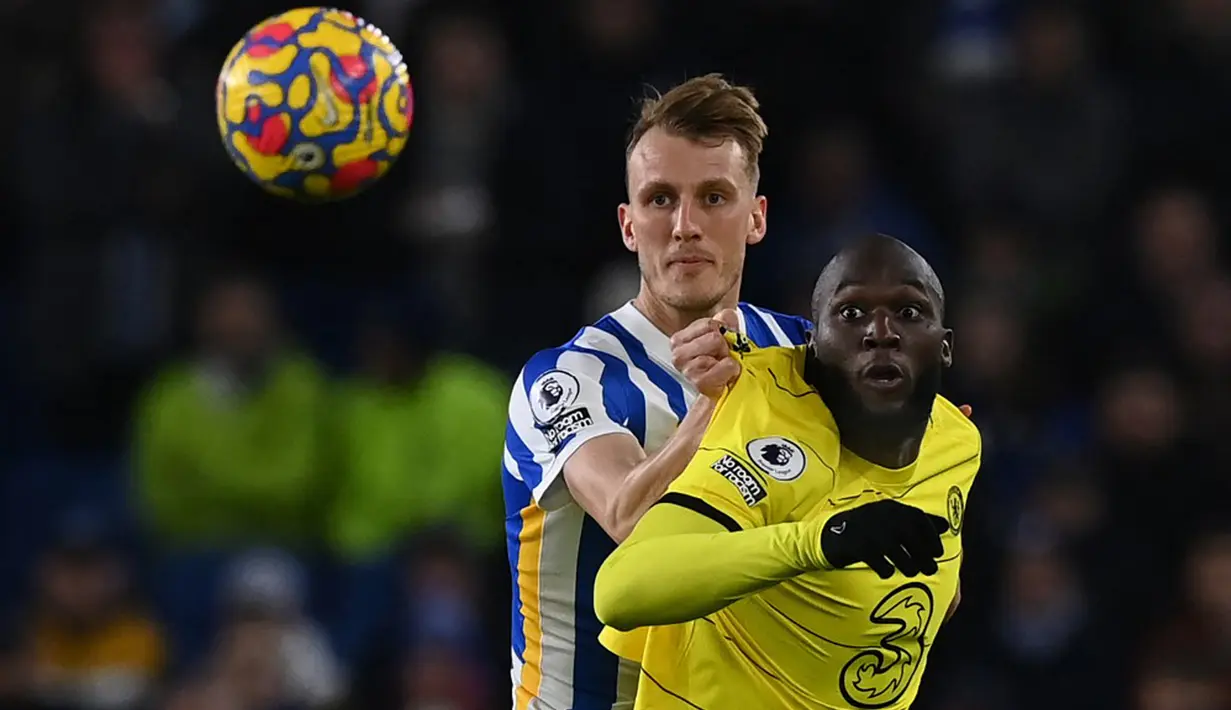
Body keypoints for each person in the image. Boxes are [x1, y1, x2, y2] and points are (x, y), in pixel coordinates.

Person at [503, 74, 811, 710]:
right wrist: (719, 405)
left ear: (756, 217)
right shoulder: (565, 379)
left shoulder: (808, 357)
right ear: (628, 223)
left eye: (715, 197)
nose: (686, 225)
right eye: (661, 199)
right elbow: (628, 518)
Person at [594, 234, 981, 710]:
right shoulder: (772, 425)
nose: (881, 331)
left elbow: (940, 587)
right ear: (814, 344)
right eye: (852, 313)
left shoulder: (958, 442)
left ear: (945, 348)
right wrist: (820, 541)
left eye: (908, 312)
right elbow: (621, 588)